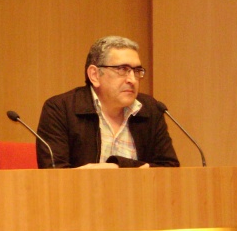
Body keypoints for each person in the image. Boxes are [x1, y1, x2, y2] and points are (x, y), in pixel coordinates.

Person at [36, 35, 179, 169]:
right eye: (122, 69)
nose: (132, 79)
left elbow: (169, 169)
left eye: (137, 70)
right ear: (95, 75)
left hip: (140, 189)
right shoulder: (60, 109)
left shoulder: (150, 109)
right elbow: (54, 174)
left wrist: (117, 166)